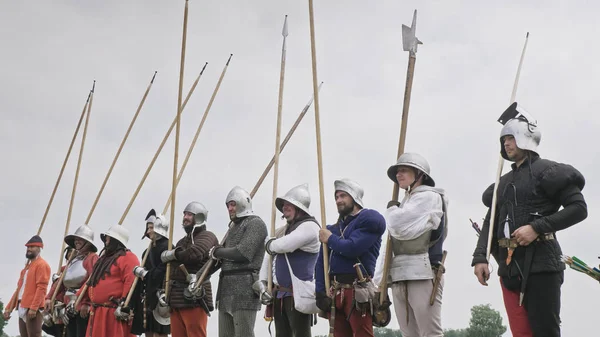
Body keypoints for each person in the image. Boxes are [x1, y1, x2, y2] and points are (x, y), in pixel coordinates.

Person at [472, 103, 587, 337]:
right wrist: (480, 257)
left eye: (511, 138)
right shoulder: (502, 182)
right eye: (504, 139)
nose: (506, 143)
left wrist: (536, 227)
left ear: (526, 137)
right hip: (509, 267)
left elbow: (579, 208)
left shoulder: (549, 172)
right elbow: (489, 221)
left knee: (545, 332)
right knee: (521, 333)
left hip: (542, 265)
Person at [373, 153, 448, 337]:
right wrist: (379, 282)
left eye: (404, 170)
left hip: (422, 272)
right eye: (398, 171)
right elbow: (390, 247)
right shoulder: (405, 202)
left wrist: (391, 210)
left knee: (430, 333)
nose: (399, 174)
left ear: (419, 174)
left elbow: (398, 225)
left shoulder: (429, 197)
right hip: (399, 274)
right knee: (409, 334)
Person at [315, 179, 386, 337]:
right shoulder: (332, 229)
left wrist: (330, 238)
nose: (339, 200)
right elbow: (321, 263)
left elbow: (352, 248)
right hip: (335, 291)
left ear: (354, 197)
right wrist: (320, 292)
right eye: (336, 197)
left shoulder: (369, 219)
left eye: (343, 196)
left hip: (358, 289)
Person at [256, 184, 320, 337]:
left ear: (300, 207)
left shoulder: (310, 226)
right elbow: (269, 257)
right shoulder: (283, 231)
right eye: (284, 205)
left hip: (298, 295)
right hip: (279, 295)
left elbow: (285, 245)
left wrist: (269, 243)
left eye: (289, 204)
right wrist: (264, 283)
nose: (285, 207)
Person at [210, 186, 268, 337]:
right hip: (226, 288)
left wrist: (217, 251)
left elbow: (243, 253)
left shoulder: (256, 224)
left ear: (243, 203)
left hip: (245, 288)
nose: (230, 208)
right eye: (228, 205)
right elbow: (222, 260)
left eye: (233, 204)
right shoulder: (233, 227)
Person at [160, 202, 219, 337]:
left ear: (199, 217)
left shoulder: (207, 236)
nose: (185, 217)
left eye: (189, 215)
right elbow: (171, 269)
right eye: (185, 214)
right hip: (175, 299)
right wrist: (165, 291)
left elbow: (193, 254)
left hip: (194, 298)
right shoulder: (182, 242)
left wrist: (174, 254)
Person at [76, 225, 139, 337]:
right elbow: (91, 282)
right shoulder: (103, 259)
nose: (105, 241)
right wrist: (79, 298)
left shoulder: (128, 257)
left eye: (108, 238)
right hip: (97, 312)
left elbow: (131, 283)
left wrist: (125, 305)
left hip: (112, 312)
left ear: (116, 240)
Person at [45, 225, 99, 337]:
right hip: (67, 304)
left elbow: (93, 281)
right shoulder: (73, 259)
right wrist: (49, 298)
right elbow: (60, 282)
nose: (77, 241)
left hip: (81, 305)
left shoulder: (92, 258)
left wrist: (85, 303)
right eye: (76, 239)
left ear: (88, 242)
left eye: (80, 239)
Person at [131, 210, 172, 337]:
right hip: (148, 297)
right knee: (149, 333)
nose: (148, 231)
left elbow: (163, 272)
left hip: (161, 297)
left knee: (159, 334)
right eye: (148, 228)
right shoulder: (146, 252)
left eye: (151, 228)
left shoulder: (168, 247)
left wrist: (144, 273)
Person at [4, 235, 52, 337]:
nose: (29, 249)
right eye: (28, 247)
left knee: (34, 335)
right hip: (22, 306)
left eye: (32, 247)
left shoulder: (42, 265)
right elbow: (19, 290)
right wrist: (9, 308)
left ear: (39, 248)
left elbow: (42, 288)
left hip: (32, 307)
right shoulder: (25, 269)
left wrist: (34, 308)